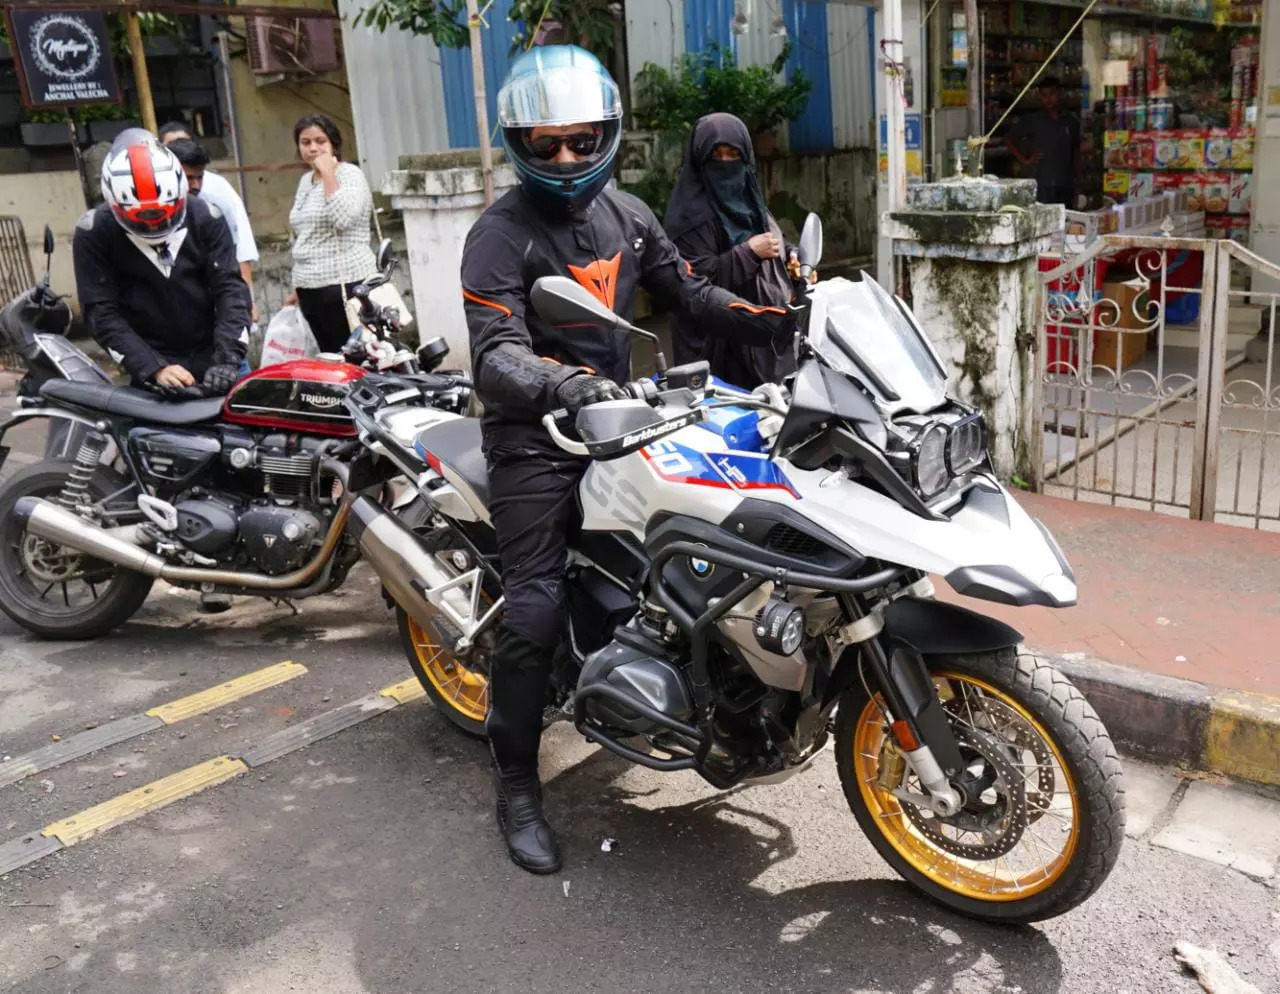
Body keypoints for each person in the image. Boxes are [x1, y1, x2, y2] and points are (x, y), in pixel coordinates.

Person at [462, 45, 794, 876]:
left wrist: (780, 317)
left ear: (608, 135)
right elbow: (496, 354)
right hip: (534, 433)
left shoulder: (630, 213)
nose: (568, 158)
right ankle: (516, 784)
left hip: (626, 418)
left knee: (708, 541)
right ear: (519, 144)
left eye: (583, 140)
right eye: (547, 144)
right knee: (533, 609)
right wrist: (565, 383)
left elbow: (689, 290)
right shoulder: (498, 235)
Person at [72, 131, 250, 392]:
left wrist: (227, 359)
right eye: (141, 220)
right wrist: (153, 367)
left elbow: (231, 290)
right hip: (150, 359)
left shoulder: (206, 217)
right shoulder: (95, 232)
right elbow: (101, 312)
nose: (153, 226)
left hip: (212, 351)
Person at [664, 112, 800, 388]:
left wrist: (791, 255)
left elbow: (768, 235)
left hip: (764, 339)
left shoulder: (747, 196)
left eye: (733, 154)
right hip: (721, 351)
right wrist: (748, 254)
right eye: (717, 156)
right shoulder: (690, 218)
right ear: (700, 159)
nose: (725, 163)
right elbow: (692, 286)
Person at [285, 114, 376, 353]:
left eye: (320, 141)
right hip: (310, 289)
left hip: (346, 286)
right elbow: (304, 233)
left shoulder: (349, 174)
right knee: (331, 360)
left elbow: (343, 218)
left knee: (361, 359)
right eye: (306, 142)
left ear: (333, 144)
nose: (313, 148)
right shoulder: (305, 180)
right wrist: (298, 287)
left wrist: (328, 175)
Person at [157, 123, 261, 323]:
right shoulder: (151, 205)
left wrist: (246, 301)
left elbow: (240, 248)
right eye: (188, 178)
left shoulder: (217, 198)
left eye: (199, 177)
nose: (195, 185)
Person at [1008, 76, 1081, 208]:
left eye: (1052, 94)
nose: (1048, 99)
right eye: (1044, 95)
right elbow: (1008, 139)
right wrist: (1025, 160)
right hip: (1041, 182)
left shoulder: (1070, 121)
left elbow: (1075, 151)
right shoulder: (1033, 120)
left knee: (1066, 220)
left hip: (1065, 182)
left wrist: (1078, 181)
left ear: (1059, 94)